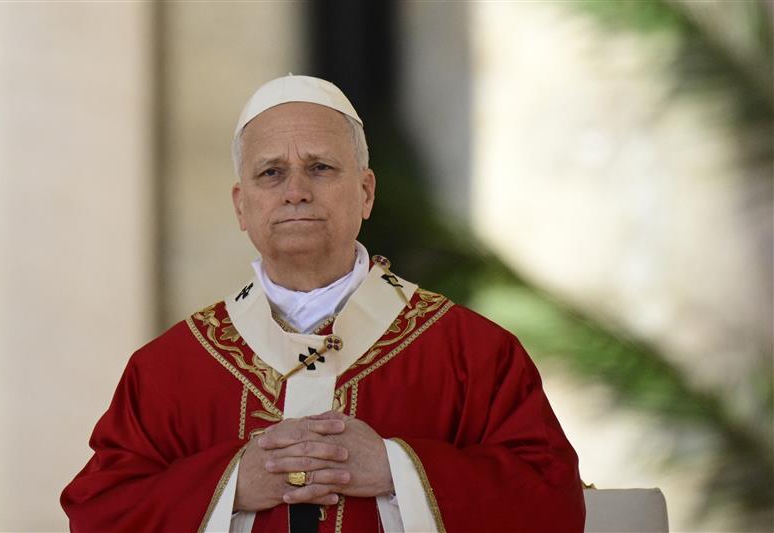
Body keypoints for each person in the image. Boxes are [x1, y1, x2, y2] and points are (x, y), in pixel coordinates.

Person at [61, 75, 586, 533]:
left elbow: (551, 502)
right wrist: (231, 485)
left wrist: (397, 469)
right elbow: (99, 513)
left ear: (366, 192)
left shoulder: (473, 354)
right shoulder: (168, 370)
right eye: (271, 172)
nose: (295, 191)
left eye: (320, 168)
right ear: (242, 206)